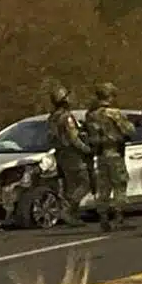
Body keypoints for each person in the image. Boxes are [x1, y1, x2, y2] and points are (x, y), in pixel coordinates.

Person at [85, 82, 136, 232]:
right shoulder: (114, 113)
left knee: (104, 189)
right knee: (120, 186)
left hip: (100, 155)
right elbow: (129, 130)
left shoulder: (90, 115)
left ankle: (103, 219)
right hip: (115, 153)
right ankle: (119, 218)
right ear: (110, 96)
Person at [46, 86, 92, 227]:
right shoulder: (66, 117)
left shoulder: (52, 117)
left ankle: (73, 216)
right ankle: (66, 210)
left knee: (71, 186)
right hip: (72, 155)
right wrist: (87, 149)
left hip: (61, 154)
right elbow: (73, 138)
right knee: (85, 183)